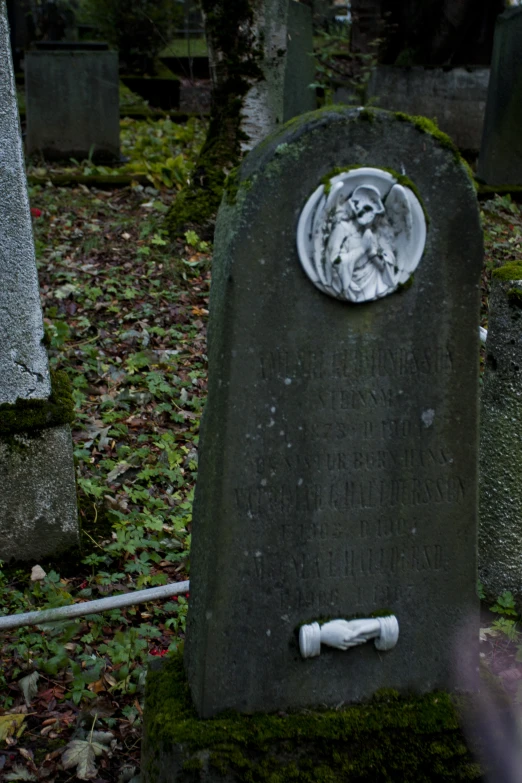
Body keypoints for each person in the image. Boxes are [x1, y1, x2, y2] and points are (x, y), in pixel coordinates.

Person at [325, 184, 399, 302]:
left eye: (371, 211)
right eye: (366, 209)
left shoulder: (375, 234)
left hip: (373, 282)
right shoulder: (342, 228)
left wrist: (372, 253)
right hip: (350, 285)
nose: (369, 215)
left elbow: (387, 265)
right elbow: (334, 262)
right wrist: (362, 249)